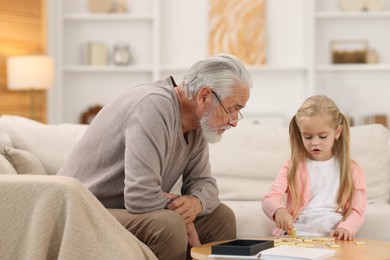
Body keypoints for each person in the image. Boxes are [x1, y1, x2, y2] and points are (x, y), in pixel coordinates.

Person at [57, 53, 252, 259]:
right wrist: (183, 215)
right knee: (169, 225)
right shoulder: (153, 105)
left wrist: (195, 203)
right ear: (204, 96)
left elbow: (206, 186)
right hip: (83, 210)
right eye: (231, 110)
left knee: (222, 218)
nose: (233, 121)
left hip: (122, 213)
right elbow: (140, 196)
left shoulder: (197, 124)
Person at [262, 95, 367, 241]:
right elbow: (269, 199)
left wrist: (346, 228)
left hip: (334, 236)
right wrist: (278, 210)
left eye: (323, 136)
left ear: (337, 132)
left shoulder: (352, 169)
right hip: (297, 234)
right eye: (308, 137)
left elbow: (358, 210)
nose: (315, 143)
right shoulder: (292, 165)